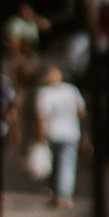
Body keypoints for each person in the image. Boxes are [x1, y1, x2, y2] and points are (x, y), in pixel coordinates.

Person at [30, 60, 85, 203]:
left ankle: (55, 192)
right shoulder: (71, 90)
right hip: (71, 132)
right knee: (67, 164)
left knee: (54, 165)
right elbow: (81, 112)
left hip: (52, 133)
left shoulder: (45, 93)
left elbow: (42, 117)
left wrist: (39, 136)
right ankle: (64, 194)